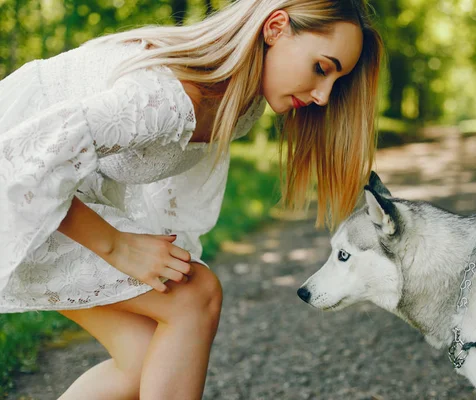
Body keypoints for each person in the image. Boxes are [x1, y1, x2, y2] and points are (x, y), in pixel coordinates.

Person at [0, 0, 383, 398]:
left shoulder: (241, 104)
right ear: (275, 28)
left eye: (336, 82)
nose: (323, 95)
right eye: (322, 68)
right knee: (194, 297)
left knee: (145, 360)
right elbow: (23, 164)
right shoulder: (168, 96)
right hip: (16, 178)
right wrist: (119, 246)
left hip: (56, 190)